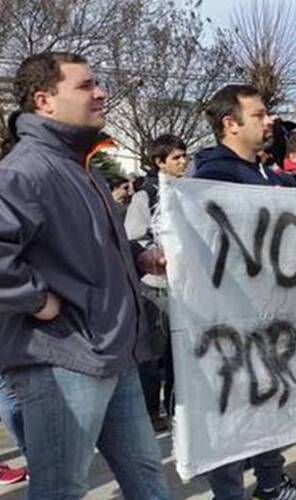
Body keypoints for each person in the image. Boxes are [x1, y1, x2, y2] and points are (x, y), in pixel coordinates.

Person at [0, 51, 171, 499]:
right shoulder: (26, 170)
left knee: (149, 480)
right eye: (85, 86)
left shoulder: (80, 167)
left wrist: (137, 257)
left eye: (98, 84)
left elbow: (84, 245)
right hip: (63, 361)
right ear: (44, 101)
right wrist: (38, 301)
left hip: (114, 354)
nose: (100, 93)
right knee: (60, 489)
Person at [194, 84, 296, 500]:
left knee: (270, 405)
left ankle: (270, 481)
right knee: (233, 412)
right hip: (230, 317)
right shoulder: (215, 174)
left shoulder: (261, 172)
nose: (269, 122)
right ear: (230, 124)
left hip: (268, 312)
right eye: (260, 115)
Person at [125, 133, 188, 432]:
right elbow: (133, 236)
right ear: (159, 162)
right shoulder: (145, 194)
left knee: (181, 352)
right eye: (176, 157)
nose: (183, 162)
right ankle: (152, 410)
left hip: (186, 285)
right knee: (154, 353)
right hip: (155, 286)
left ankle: (179, 406)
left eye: (184, 155)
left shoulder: (189, 191)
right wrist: (155, 252)